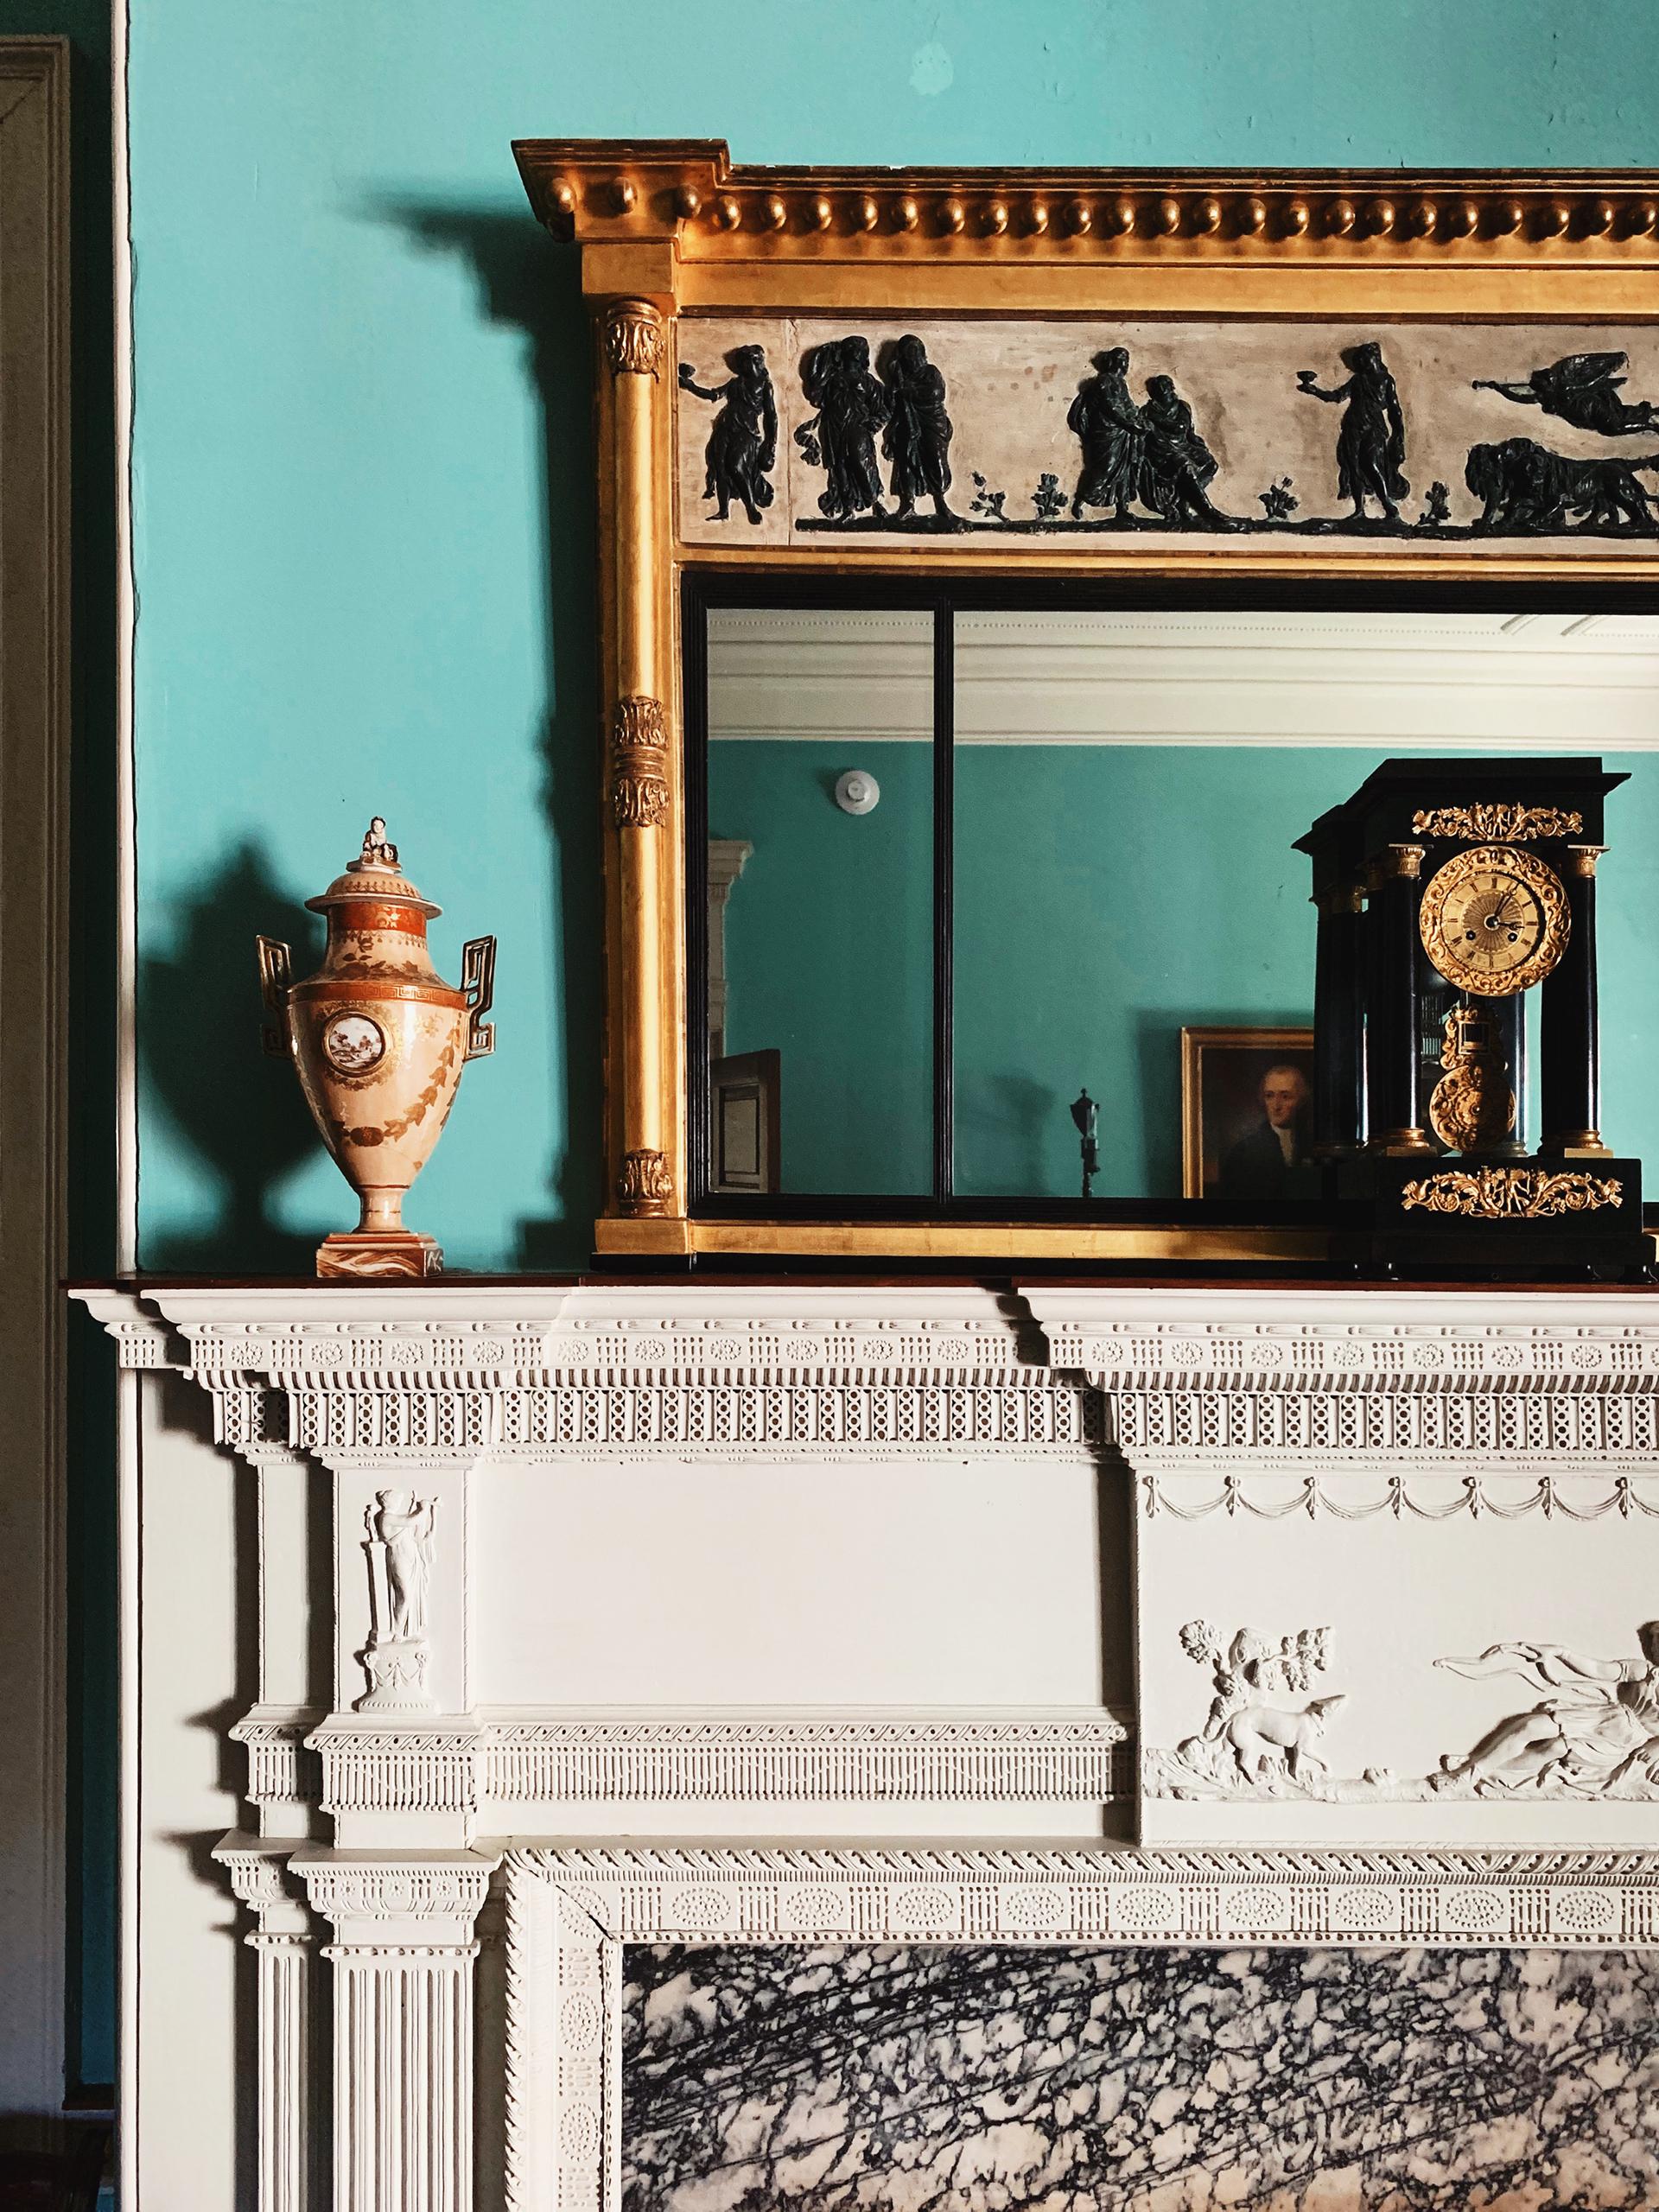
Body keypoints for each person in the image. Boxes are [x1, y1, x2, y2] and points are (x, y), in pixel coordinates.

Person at [1432, 1625, 1659, 1797]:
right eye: (1655, 1641)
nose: (1655, 1647)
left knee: (1556, 1748)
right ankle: (1470, 1770)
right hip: (1607, 1717)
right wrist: (1562, 1653)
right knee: (1531, 1725)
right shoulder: (1645, 1670)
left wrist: (1656, 1746)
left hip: (1626, 1740)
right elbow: (1600, 1670)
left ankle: (1475, 1770)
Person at [1296, 341, 1408, 522]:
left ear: (1374, 357)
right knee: (1354, 467)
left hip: (1374, 426)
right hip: (1353, 426)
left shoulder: (1386, 380)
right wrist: (1314, 390)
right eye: (1360, 359)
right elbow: (1337, 396)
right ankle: (1359, 510)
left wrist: (1399, 434)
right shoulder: (1358, 380)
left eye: (1365, 358)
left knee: (1371, 464)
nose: (1362, 362)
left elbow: (1395, 410)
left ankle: (1388, 505)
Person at [677, 346, 777, 524]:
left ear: (753, 361)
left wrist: (771, 442)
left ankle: (751, 508)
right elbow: (713, 394)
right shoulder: (735, 383)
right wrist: (690, 385)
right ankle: (723, 510)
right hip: (725, 427)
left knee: (736, 466)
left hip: (747, 431)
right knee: (721, 468)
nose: (739, 366)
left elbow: (771, 415)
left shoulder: (764, 384)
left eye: (742, 362)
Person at [1473, 351, 1659, 439]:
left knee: (1614, 427)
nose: (1540, 388)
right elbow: (1519, 396)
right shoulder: (1543, 396)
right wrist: (1496, 387)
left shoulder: (1565, 386)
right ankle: (1651, 415)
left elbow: (1589, 381)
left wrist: (1606, 371)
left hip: (1592, 408)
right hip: (1587, 417)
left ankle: (1650, 426)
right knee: (1620, 418)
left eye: (1542, 385)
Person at [800, 335, 888, 520]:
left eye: (859, 349)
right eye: (852, 348)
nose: (855, 352)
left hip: (857, 426)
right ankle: (848, 509)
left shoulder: (868, 381)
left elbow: (882, 408)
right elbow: (817, 398)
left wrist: (876, 421)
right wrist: (822, 357)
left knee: (861, 462)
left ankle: (875, 502)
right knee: (839, 467)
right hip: (834, 427)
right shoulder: (833, 378)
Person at [880, 334, 958, 524]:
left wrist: (908, 391)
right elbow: (891, 404)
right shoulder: (899, 378)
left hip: (932, 422)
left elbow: (935, 393)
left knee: (937, 461)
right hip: (907, 422)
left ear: (922, 354)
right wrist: (896, 391)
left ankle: (940, 502)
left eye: (915, 353)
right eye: (908, 355)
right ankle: (907, 503)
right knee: (907, 462)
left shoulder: (930, 372)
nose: (912, 359)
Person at [1139, 373, 1236, 528]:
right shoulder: (1147, 411)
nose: (1164, 392)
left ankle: (1184, 501)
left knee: (1210, 464)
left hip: (1184, 446)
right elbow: (1145, 436)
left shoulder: (1181, 407)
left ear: (1171, 389)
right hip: (1162, 452)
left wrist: (1196, 441)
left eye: (1166, 388)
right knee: (1185, 465)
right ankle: (1207, 511)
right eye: (1159, 389)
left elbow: (1183, 428)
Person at [1067, 346, 1145, 522]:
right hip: (1106, 432)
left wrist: (1137, 419)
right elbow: (1110, 408)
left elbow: (1128, 406)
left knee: (1124, 470)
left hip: (1122, 433)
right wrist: (1129, 424)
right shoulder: (1103, 381)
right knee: (1104, 469)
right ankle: (1081, 500)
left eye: (1127, 360)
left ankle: (1122, 507)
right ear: (1114, 362)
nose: (1126, 364)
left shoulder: (1121, 383)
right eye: (1123, 360)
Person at [1217, 1065, 1317, 1198]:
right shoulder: (1243, 1152)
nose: (1276, 1105)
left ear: (1301, 1100)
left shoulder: (1312, 1145)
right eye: (1269, 1096)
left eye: (1286, 1097)